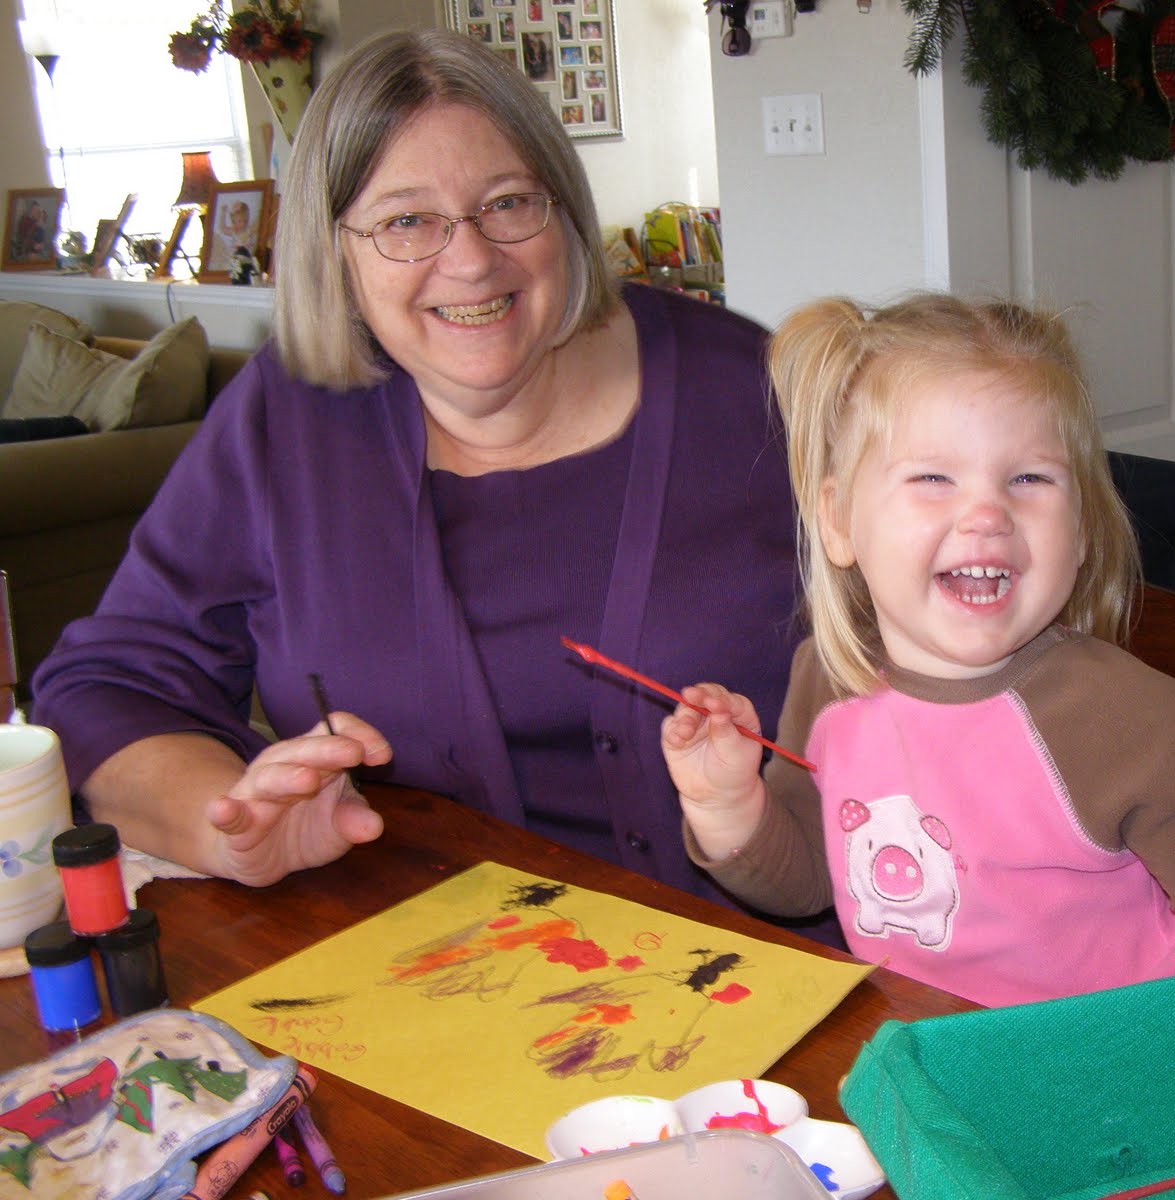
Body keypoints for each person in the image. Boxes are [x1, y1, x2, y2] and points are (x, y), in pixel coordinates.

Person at [30, 29, 822, 938]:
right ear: (335, 251)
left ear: (564, 212)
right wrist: (233, 824)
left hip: (780, 969)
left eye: (508, 203)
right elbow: (106, 684)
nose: (472, 260)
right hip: (431, 970)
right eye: (406, 221)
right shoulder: (289, 415)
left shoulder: (759, 392)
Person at [661, 293, 1175, 1006]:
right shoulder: (829, 683)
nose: (988, 514)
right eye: (932, 478)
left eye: (1029, 479)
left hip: (1133, 1048)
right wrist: (729, 806)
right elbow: (810, 881)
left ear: (1081, 529)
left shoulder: (1119, 711)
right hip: (936, 1048)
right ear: (837, 521)